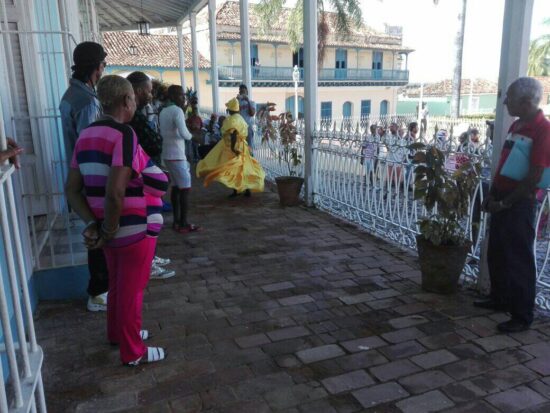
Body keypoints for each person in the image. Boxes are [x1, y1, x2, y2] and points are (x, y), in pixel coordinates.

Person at [65, 75, 168, 365]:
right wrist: (109, 228)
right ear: (126, 100)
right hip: (130, 225)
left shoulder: (85, 135)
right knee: (132, 290)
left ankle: (118, 334)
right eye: (134, 99)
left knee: (117, 285)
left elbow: (72, 189)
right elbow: (115, 190)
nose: (136, 103)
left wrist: (95, 224)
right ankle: (133, 351)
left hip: (105, 225)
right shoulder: (124, 134)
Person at [475, 77, 550, 333]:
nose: (504, 101)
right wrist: (492, 193)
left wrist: (505, 202)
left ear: (526, 102)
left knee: (518, 259)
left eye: (509, 97)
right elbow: (506, 163)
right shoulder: (517, 125)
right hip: (502, 198)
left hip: (519, 203)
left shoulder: (543, 130)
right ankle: (500, 298)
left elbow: (535, 176)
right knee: (497, 251)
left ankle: (521, 315)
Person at [59, 41, 109, 312]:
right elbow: (93, 146)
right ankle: (98, 291)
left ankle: (99, 289)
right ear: (93, 67)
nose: (103, 70)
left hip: (80, 175)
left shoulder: (72, 95)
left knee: (94, 230)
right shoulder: (86, 102)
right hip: (91, 179)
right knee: (98, 235)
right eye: (102, 65)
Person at [126, 71, 174, 279]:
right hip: (140, 176)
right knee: (148, 220)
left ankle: (151, 257)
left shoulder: (140, 112)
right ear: (137, 91)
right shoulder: (134, 117)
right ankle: (147, 262)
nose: (151, 95)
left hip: (145, 172)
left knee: (153, 218)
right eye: (148, 90)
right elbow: (153, 141)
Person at [196, 98, 265, 197]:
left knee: (232, 168)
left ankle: (237, 190)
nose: (228, 110)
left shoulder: (232, 119)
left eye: (228, 108)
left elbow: (233, 134)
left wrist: (233, 148)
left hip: (234, 147)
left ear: (231, 110)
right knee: (243, 168)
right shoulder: (240, 118)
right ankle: (245, 189)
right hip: (242, 146)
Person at [160, 85, 201, 234]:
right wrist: (194, 137)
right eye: (181, 95)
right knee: (185, 189)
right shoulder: (176, 111)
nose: (184, 98)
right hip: (177, 155)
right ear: (174, 96)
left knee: (176, 187)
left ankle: (176, 221)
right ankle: (183, 222)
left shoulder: (164, 110)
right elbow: (183, 133)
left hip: (167, 154)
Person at [237, 84, 256, 149]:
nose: (242, 93)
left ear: (247, 92)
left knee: (249, 146)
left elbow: (252, 114)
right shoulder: (237, 103)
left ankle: (251, 156)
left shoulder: (252, 102)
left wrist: (247, 101)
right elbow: (235, 113)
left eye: (244, 92)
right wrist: (236, 101)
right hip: (239, 127)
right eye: (241, 92)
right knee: (240, 147)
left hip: (248, 127)